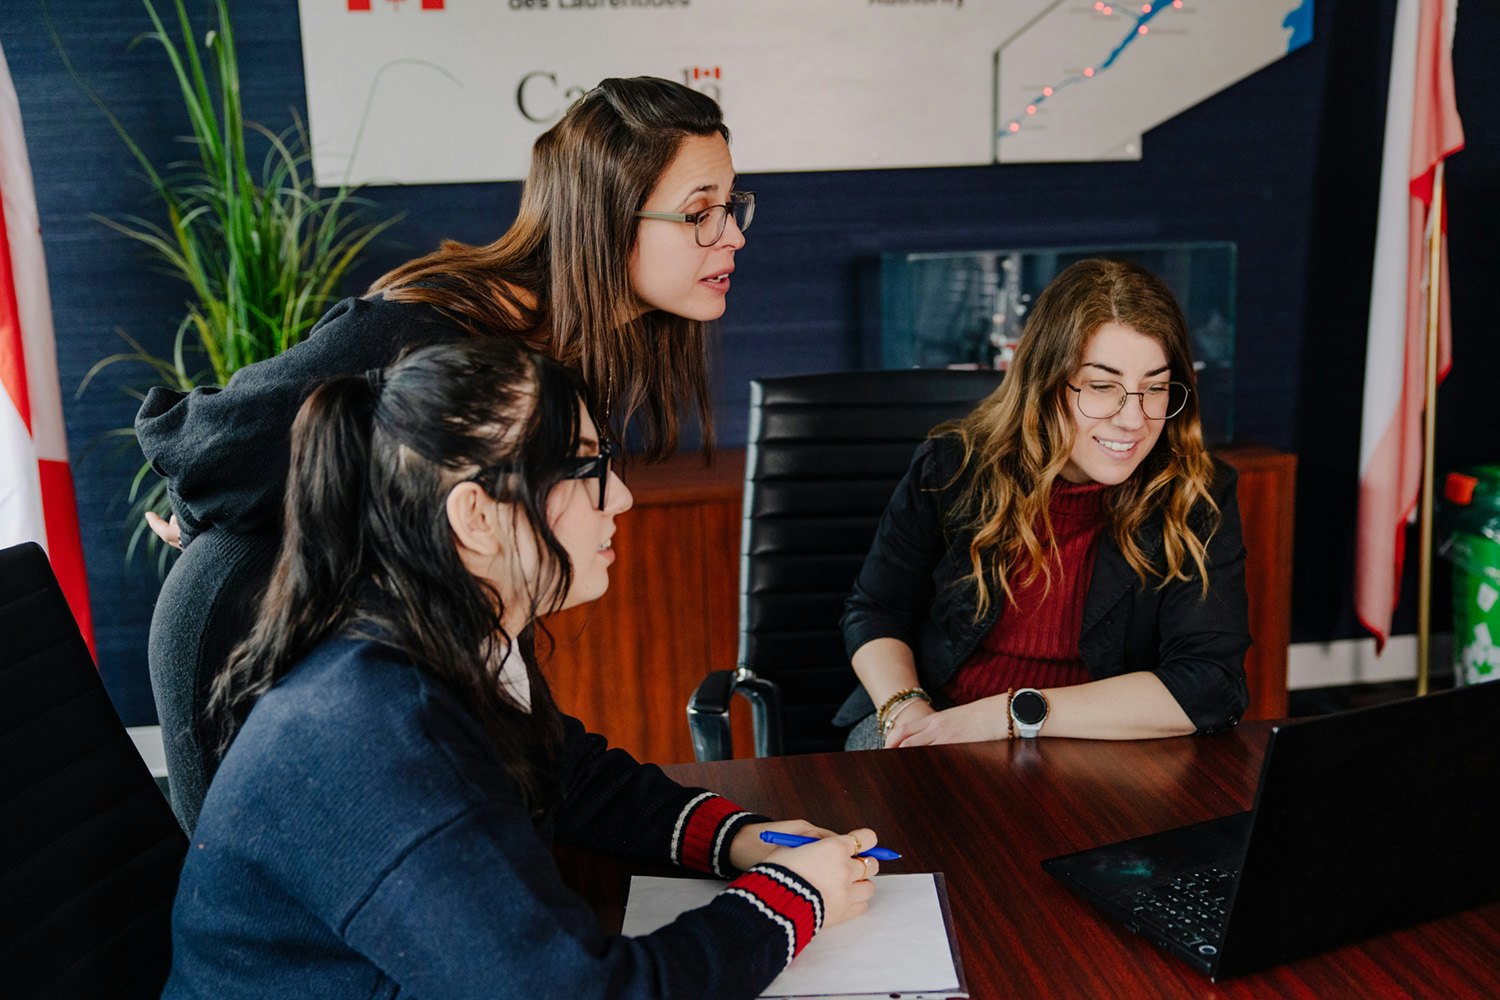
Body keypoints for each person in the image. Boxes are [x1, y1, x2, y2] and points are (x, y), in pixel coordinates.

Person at [162, 339, 880, 999]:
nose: (621, 497)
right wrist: (789, 900)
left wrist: (733, 838)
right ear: (476, 516)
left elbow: (566, 773)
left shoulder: (438, 637)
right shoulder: (377, 732)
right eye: (588, 469)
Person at [134, 76, 752, 829]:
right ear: (604, 219)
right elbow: (200, 439)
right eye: (698, 214)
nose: (732, 235)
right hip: (244, 635)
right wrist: (197, 508)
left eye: (730, 206)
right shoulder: (432, 328)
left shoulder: (572, 350)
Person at [836, 258, 1250, 751]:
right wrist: (908, 709)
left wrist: (1010, 714)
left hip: (1096, 742)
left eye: (1155, 388)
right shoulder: (952, 468)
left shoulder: (1196, 493)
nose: (1134, 420)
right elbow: (876, 610)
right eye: (1102, 387)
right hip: (942, 717)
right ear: (1046, 383)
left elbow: (1209, 683)